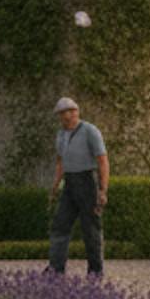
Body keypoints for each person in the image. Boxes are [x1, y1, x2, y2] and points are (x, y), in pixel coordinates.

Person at [48, 97, 108, 275]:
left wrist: (103, 190)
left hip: (87, 182)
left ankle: (95, 271)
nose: (67, 118)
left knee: (90, 228)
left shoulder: (90, 131)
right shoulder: (61, 134)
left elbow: (103, 161)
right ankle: (55, 270)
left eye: (70, 113)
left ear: (76, 112)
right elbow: (60, 162)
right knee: (60, 225)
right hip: (69, 183)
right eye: (62, 115)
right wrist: (55, 186)